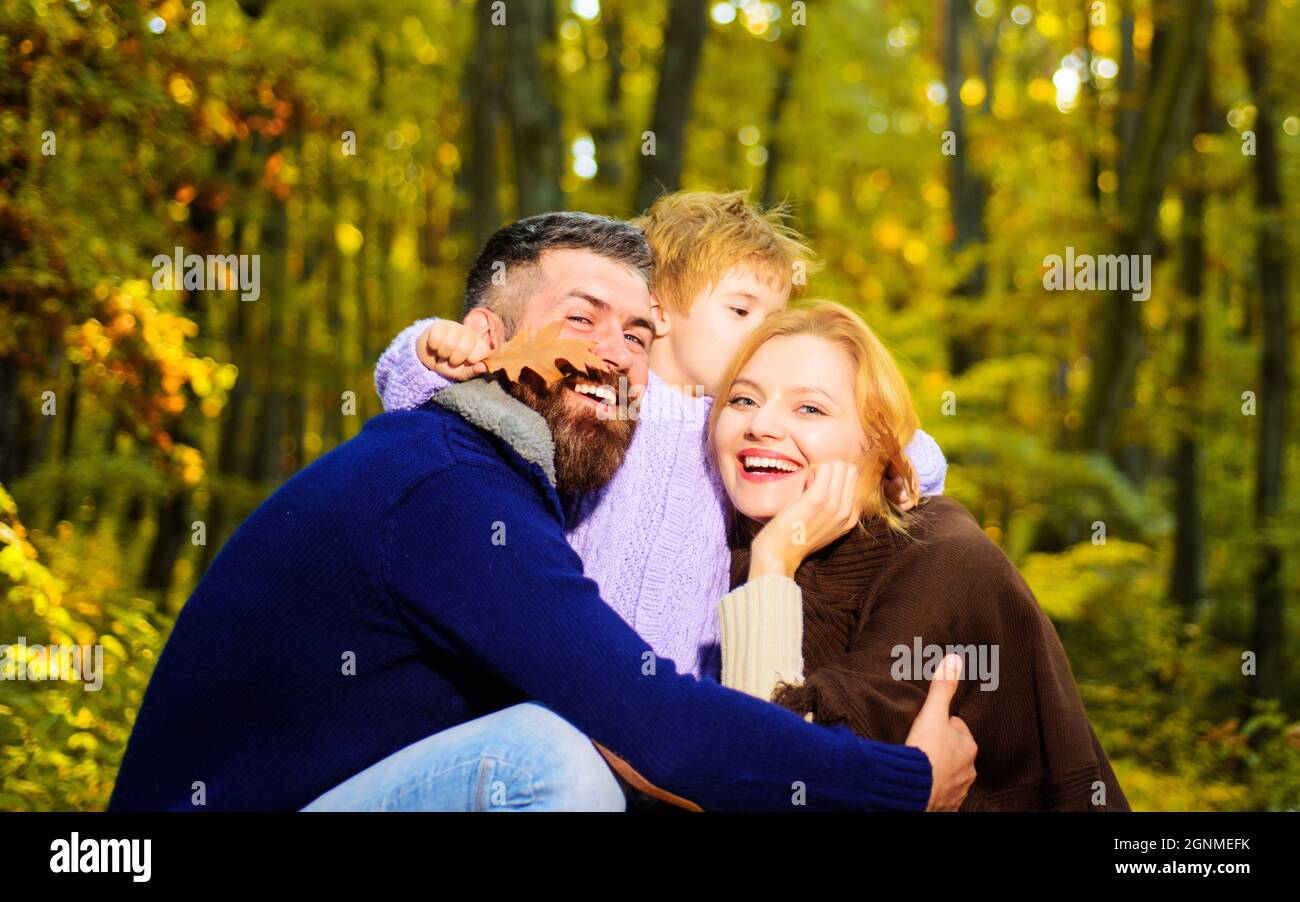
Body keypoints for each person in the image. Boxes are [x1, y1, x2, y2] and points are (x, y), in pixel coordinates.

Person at [108, 213, 977, 812]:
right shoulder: (443, 488)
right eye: (580, 319)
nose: (612, 354)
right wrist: (903, 784)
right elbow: (655, 725)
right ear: (483, 342)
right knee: (546, 754)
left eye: (638, 336)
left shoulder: (507, 483)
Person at [375, 191, 948, 679]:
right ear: (661, 309)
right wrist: (434, 346)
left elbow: (896, 448)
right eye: (742, 310)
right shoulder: (610, 398)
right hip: (574, 661)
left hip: (688, 684)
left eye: (774, 316)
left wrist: (896, 460)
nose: (764, 333)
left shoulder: (736, 426)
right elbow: (415, 389)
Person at [712, 301, 1130, 811]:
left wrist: (774, 562)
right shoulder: (713, 549)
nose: (762, 425)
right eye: (742, 399)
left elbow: (773, 777)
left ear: (877, 444)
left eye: (810, 409)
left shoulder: (942, 558)